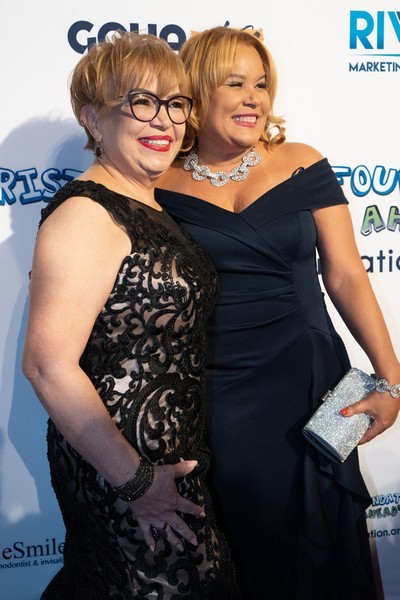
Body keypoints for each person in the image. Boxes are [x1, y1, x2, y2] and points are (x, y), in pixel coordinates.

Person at [155, 25, 400, 599]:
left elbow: (346, 275)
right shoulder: (160, 183)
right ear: (198, 92)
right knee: (247, 547)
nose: (253, 98)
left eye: (261, 84)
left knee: (327, 540)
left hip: (312, 382)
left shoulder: (301, 163)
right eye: (234, 83)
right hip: (217, 396)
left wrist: (391, 379)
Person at [22, 31, 240, 599]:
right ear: (93, 119)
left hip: (161, 470)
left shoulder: (145, 202)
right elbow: (47, 365)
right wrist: (137, 482)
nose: (163, 119)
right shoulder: (85, 214)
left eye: (175, 103)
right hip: (125, 477)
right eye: (141, 101)